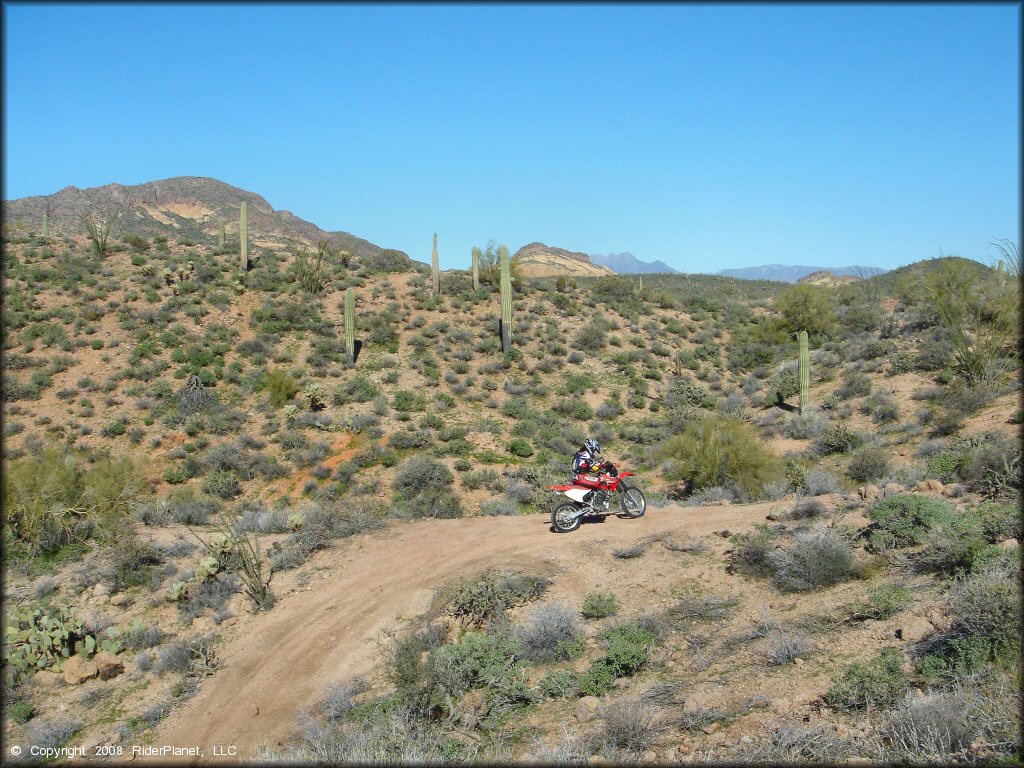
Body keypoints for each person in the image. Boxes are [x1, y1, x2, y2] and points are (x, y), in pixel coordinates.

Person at [572, 438, 612, 507]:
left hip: (576, 477)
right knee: (602, 482)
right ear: (590, 447)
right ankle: (599, 504)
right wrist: (601, 464)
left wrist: (598, 464)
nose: (593, 452)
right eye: (593, 450)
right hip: (582, 477)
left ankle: (586, 504)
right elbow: (594, 468)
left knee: (594, 484)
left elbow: (585, 467)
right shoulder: (586, 455)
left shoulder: (579, 454)